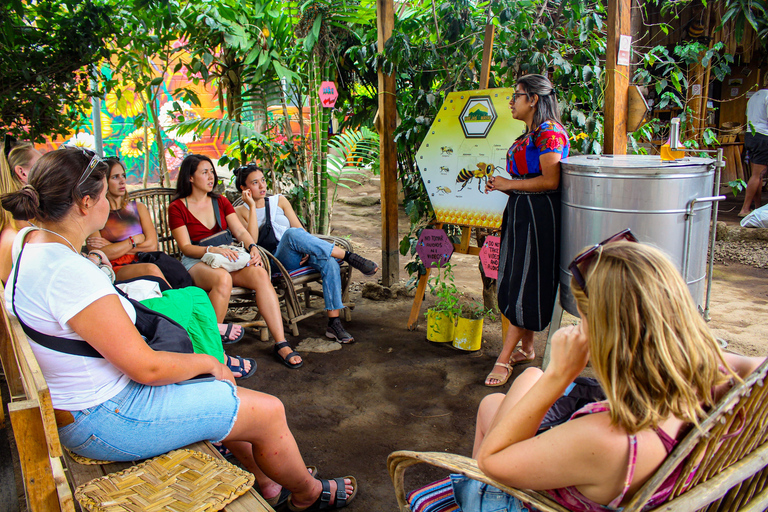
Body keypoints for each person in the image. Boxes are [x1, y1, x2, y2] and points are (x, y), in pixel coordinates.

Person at [1, 147, 357, 510]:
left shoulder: (29, 243)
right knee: (267, 410)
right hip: (107, 418)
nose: (112, 197)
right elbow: (147, 367)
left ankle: (267, 481)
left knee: (215, 389)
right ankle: (307, 494)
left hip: (84, 407)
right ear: (86, 201)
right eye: (106, 190)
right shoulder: (70, 272)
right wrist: (209, 362)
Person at [408, 234, 765, 512]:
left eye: (586, 319)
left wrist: (558, 375)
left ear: (606, 332)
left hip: (538, 501)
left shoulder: (609, 438)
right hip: (648, 469)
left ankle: (476, 497)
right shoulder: (713, 377)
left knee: (502, 406)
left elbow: (492, 461)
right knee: (504, 397)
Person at [85, 157, 245, 344]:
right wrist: (135, 240)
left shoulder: (138, 208)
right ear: (104, 182)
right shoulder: (96, 213)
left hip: (146, 259)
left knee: (169, 272)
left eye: (124, 176)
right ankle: (195, 322)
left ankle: (193, 323)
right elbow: (102, 254)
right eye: (115, 177)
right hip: (115, 268)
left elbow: (152, 245)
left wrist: (116, 246)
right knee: (152, 271)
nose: (122, 181)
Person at [169, 154, 302, 368]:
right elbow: (185, 247)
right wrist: (212, 249)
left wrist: (252, 248)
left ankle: (281, 343)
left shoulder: (220, 201)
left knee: (259, 274)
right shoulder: (177, 207)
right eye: (205, 172)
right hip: (198, 261)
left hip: (228, 258)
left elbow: (240, 231)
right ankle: (212, 349)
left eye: (212, 172)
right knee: (222, 279)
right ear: (190, 178)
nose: (211, 177)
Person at [483, 74, 570, 386]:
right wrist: (505, 188)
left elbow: (551, 181)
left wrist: (511, 184)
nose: (511, 101)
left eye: (516, 95)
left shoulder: (549, 132)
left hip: (539, 217)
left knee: (525, 283)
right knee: (519, 278)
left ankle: (503, 359)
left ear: (533, 99)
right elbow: (528, 183)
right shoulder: (531, 133)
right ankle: (528, 348)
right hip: (521, 212)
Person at [233, 164, 378, 344]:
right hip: (276, 261)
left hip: (300, 251)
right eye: (255, 183)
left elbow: (301, 231)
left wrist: (307, 249)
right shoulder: (239, 212)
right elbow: (251, 241)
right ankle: (348, 256)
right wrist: (252, 207)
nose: (262, 186)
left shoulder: (280, 201)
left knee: (328, 261)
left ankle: (334, 323)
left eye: (263, 180)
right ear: (244, 188)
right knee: (290, 234)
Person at [738, 86, 768, 217]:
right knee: (757, 175)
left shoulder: (754, 97)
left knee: (757, 175)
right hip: (763, 136)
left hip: (751, 134)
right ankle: (745, 209)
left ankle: (757, 207)